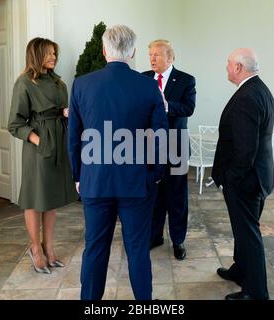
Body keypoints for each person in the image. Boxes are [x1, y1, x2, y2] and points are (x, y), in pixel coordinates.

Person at [68, 25, 168, 300]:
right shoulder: (149, 86)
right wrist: (155, 174)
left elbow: (73, 137)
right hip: (137, 184)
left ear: (103, 51)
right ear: (134, 52)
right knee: (137, 250)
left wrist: (78, 176)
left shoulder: (81, 84)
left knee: (95, 248)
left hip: (95, 182)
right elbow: (161, 135)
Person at [8, 37, 78, 274]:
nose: (54, 57)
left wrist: (66, 112)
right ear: (36, 55)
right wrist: (39, 141)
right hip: (39, 148)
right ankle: (35, 248)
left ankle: (49, 246)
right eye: (48, 54)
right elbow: (15, 124)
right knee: (35, 198)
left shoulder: (59, 83)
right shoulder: (25, 83)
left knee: (52, 198)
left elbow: (59, 110)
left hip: (59, 143)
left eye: (54, 54)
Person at [212, 48, 274, 300]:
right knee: (243, 231)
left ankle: (256, 293)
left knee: (249, 235)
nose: (226, 67)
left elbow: (245, 149)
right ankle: (240, 271)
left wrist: (231, 179)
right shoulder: (260, 89)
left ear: (238, 67)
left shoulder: (247, 97)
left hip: (246, 182)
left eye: (228, 63)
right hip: (258, 177)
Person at [142, 40, 196, 260]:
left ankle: (178, 240)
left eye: (157, 55)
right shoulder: (143, 78)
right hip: (150, 148)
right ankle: (155, 236)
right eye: (150, 54)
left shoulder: (186, 80)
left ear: (170, 57)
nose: (152, 59)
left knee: (176, 197)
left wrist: (166, 105)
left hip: (176, 148)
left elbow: (189, 108)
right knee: (153, 196)